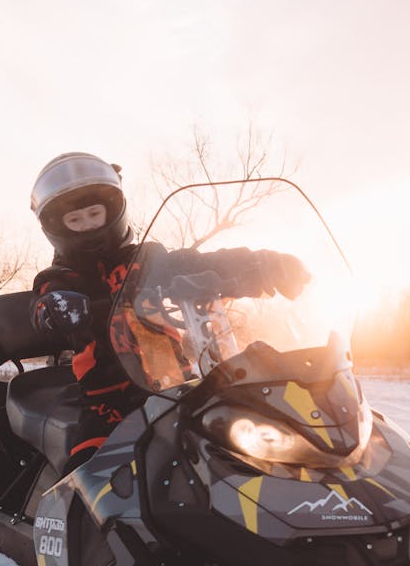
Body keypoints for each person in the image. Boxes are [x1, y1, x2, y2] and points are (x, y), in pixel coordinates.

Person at [29, 151, 309, 463]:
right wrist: (55, 308)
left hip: (179, 389)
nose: (88, 226)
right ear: (60, 228)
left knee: (252, 443)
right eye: (75, 220)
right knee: (90, 471)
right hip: (107, 403)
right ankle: (72, 509)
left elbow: (199, 263)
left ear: (112, 211)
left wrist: (262, 265)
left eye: (95, 214)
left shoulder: (148, 259)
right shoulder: (60, 277)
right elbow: (43, 305)